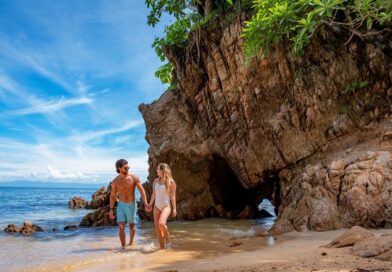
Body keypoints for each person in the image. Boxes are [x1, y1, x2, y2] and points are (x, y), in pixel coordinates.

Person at [109, 159, 148, 249]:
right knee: (121, 227)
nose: (127, 169)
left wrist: (145, 203)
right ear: (119, 168)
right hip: (121, 205)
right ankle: (123, 248)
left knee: (131, 226)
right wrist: (111, 209)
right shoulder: (115, 181)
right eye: (125, 168)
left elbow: (142, 191)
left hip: (131, 204)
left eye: (128, 167)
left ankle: (131, 242)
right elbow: (112, 195)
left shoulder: (134, 177)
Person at [146, 163, 177, 249]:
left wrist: (174, 208)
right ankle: (162, 249)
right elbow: (154, 194)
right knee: (158, 229)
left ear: (163, 170)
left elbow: (172, 196)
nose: (156, 171)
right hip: (157, 206)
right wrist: (149, 204)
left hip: (166, 206)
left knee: (161, 224)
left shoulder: (171, 182)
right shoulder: (155, 181)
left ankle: (166, 234)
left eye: (158, 169)